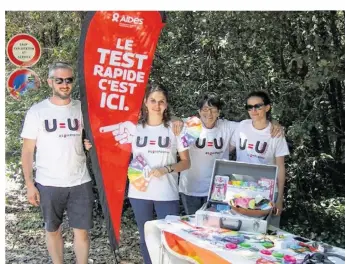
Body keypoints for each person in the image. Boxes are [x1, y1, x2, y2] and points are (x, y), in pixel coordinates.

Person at [84, 85, 191, 264]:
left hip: (167, 193)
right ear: (145, 102)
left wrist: (166, 169)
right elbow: (110, 146)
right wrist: (91, 145)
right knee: (146, 238)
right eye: (153, 101)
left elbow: (186, 162)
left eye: (161, 101)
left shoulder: (177, 128)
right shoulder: (134, 127)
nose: (157, 105)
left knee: (170, 238)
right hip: (139, 192)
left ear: (166, 104)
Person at [21, 61, 93, 264]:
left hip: (80, 181)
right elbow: (27, 151)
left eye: (68, 80)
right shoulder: (37, 112)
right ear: (50, 82)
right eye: (59, 80)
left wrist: (88, 144)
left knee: (82, 234)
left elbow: (98, 133)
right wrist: (29, 184)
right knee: (53, 231)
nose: (64, 84)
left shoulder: (82, 108)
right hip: (48, 183)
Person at [177, 93, 283, 215]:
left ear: (219, 112)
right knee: (194, 227)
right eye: (205, 109)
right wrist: (175, 119)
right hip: (190, 189)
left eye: (213, 110)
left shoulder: (228, 126)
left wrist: (274, 123)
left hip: (218, 190)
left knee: (215, 228)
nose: (209, 114)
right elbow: (171, 120)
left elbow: (256, 122)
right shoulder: (189, 125)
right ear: (199, 111)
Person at [230, 90, 290, 225]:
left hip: (266, 192)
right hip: (241, 190)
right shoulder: (241, 126)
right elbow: (225, 148)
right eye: (249, 107)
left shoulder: (276, 133)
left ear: (267, 107)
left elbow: (280, 167)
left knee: (268, 236)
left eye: (258, 106)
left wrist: (280, 198)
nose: (253, 110)